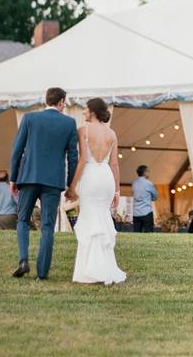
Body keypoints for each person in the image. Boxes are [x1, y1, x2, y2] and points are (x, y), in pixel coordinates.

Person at [9, 87, 80, 280]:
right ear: (62, 102)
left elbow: (17, 150)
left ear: (46, 100)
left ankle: (23, 260)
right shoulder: (69, 123)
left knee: (23, 220)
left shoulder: (29, 119)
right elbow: (74, 157)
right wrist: (70, 184)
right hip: (53, 181)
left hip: (28, 176)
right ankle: (42, 273)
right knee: (47, 226)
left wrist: (13, 178)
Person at [69, 97, 127, 284]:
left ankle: (91, 271)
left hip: (91, 177)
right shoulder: (112, 133)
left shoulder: (82, 131)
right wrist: (117, 191)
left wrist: (72, 186)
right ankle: (105, 267)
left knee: (89, 219)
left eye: (85, 109)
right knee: (101, 218)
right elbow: (115, 163)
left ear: (92, 111)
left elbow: (84, 159)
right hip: (106, 178)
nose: (84, 112)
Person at [132, 165, 158, 233]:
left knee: (136, 234)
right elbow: (155, 196)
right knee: (149, 234)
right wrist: (150, 198)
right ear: (145, 172)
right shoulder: (148, 183)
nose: (149, 173)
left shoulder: (134, 183)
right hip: (146, 212)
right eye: (148, 171)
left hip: (136, 213)